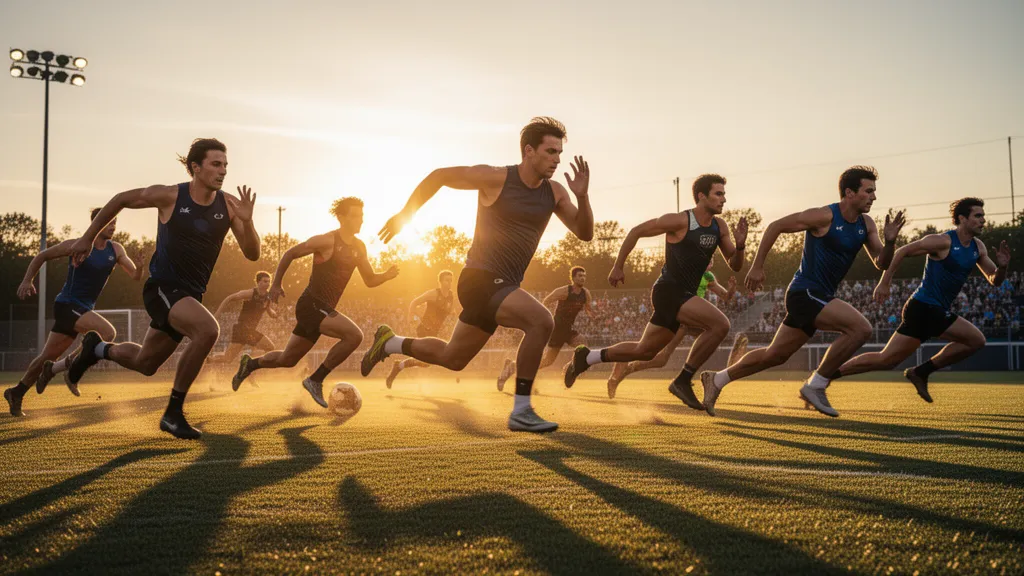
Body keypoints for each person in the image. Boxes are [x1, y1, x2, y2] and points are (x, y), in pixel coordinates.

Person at [361, 117, 593, 433]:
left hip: (503, 286)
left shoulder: (555, 193)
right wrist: (406, 214)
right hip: (479, 279)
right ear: (529, 151)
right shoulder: (496, 178)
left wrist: (582, 196)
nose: (557, 159)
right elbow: (440, 176)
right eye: (551, 151)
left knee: (453, 357)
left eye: (560, 153)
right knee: (541, 321)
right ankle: (522, 410)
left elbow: (584, 232)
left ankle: (390, 343)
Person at [62, 138, 261, 439]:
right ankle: (173, 413)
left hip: (189, 296)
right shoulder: (170, 196)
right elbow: (119, 199)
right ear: (196, 167)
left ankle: (96, 348)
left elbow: (252, 253)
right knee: (208, 330)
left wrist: (249, 222)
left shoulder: (230, 206)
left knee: (146, 363)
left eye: (225, 165)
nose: (223, 171)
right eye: (215, 164)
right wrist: (89, 238)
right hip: (163, 288)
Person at [700, 166, 906, 417]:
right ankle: (816, 385)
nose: (874, 197)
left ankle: (717, 380)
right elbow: (776, 226)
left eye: (874, 191)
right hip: (805, 292)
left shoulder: (867, 224)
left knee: (775, 356)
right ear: (849, 193)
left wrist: (892, 242)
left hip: (819, 297)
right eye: (869, 191)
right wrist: (757, 266)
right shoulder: (823, 216)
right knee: (861, 328)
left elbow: (881, 263)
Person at [561, 174, 747, 410]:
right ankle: (682, 380)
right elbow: (636, 231)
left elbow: (736, 264)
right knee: (721, 324)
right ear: (702, 196)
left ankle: (586, 358)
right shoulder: (679, 221)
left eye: (724, 194)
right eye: (718, 194)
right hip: (669, 290)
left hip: (682, 295)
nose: (724, 199)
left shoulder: (719, 226)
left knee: (645, 351)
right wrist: (618, 265)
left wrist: (740, 246)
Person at [831, 198, 1010, 401]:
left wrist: (1002, 268)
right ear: (962, 218)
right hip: (924, 307)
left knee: (885, 360)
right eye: (978, 216)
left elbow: (994, 280)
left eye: (983, 216)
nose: (983, 220)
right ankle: (921, 372)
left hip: (929, 311)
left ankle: (826, 375)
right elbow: (902, 251)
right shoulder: (942, 241)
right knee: (975, 340)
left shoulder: (978, 248)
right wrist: (885, 282)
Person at [231, 197, 399, 406]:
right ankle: (315, 380)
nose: (361, 220)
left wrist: (387, 275)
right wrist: (276, 284)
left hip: (322, 310)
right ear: (341, 217)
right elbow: (290, 253)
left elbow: (370, 279)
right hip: (310, 305)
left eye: (362, 216)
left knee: (287, 359)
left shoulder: (359, 247)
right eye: (356, 216)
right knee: (355, 335)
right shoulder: (327, 241)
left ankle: (250, 365)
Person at [3, 210, 142, 417]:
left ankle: (17, 391)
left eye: (115, 222)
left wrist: (139, 268)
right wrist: (27, 280)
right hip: (67, 305)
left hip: (81, 309)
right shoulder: (78, 244)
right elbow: (42, 255)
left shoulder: (116, 249)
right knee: (107, 332)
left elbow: (134, 276)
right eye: (109, 222)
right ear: (98, 223)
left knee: (45, 358)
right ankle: (66, 367)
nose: (113, 226)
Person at [605, 260, 748, 399]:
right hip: (681, 317)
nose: (708, 264)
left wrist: (731, 289)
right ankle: (621, 373)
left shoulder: (708, 277)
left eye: (710, 262)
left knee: (714, 332)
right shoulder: (686, 270)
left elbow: (725, 296)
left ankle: (686, 376)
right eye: (706, 260)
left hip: (695, 318)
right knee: (660, 359)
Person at [496, 266, 595, 391]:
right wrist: (542, 317)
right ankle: (512, 367)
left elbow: (588, 307)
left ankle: (569, 368)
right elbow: (546, 301)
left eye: (584, 276)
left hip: (568, 329)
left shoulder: (585, 294)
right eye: (580, 276)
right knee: (547, 361)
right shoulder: (564, 291)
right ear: (573, 278)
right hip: (557, 329)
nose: (583, 278)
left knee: (583, 345)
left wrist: (591, 313)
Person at [385, 270, 456, 388]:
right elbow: (414, 302)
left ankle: (399, 366)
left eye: (451, 280)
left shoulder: (450, 296)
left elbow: (449, 310)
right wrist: (411, 316)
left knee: (426, 362)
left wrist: (453, 315)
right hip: (424, 329)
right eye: (446, 280)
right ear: (440, 282)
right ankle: (399, 365)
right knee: (427, 360)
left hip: (435, 332)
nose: (449, 283)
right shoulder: (433, 294)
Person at [208, 271, 279, 385]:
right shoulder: (250, 293)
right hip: (242, 329)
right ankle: (248, 368)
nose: (268, 284)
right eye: (265, 281)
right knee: (269, 347)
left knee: (229, 358)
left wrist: (274, 314)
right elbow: (229, 298)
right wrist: (217, 314)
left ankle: (209, 360)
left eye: (269, 281)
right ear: (258, 282)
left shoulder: (268, 297)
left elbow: (268, 310)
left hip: (249, 331)